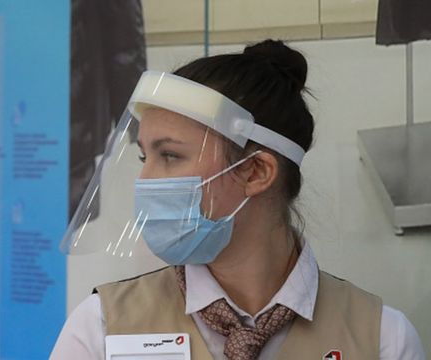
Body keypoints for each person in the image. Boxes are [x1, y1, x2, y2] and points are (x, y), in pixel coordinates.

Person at [51, 40, 425, 359]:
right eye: (144, 158)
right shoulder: (100, 329)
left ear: (256, 172)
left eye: (170, 156)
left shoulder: (382, 339)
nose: (145, 180)